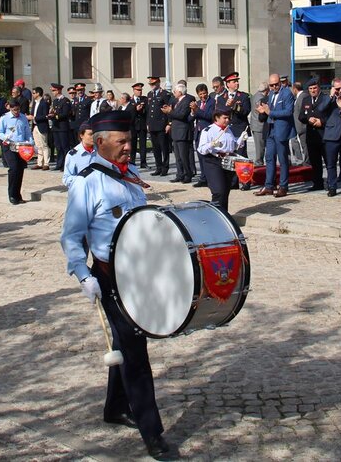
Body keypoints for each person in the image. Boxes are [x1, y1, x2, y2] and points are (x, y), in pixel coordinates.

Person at [59, 110, 176, 460]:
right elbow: (71, 236)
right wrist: (83, 274)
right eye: (122, 142)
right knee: (136, 352)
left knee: (127, 345)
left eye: (130, 140)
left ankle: (114, 407)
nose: (129, 147)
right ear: (100, 142)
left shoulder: (132, 176)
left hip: (138, 272)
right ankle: (152, 432)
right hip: (109, 276)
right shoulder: (87, 182)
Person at [255, 73, 295, 197]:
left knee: (282, 159)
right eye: (271, 85)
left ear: (280, 82)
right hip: (271, 128)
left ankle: (283, 186)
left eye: (276, 84)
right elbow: (269, 109)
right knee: (269, 157)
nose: (274, 87)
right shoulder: (271, 93)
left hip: (281, 129)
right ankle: (269, 186)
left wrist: (270, 112)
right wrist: (264, 111)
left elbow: (288, 112)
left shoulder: (287, 93)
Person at [197, 107, 237, 213]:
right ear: (217, 118)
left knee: (225, 191)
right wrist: (211, 144)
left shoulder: (228, 130)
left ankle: (224, 214)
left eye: (228, 118)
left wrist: (240, 141)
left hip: (227, 160)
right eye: (225, 118)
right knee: (218, 191)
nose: (227, 120)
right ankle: (215, 214)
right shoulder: (208, 130)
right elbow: (201, 149)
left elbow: (231, 146)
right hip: (213, 161)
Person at [0, 98, 34, 205]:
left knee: (20, 169)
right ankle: (12, 195)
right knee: (13, 168)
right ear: (10, 108)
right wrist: (6, 138)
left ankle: (18, 194)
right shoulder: (4, 118)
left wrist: (31, 142)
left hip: (21, 146)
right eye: (14, 110)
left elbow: (27, 132)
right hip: (9, 146)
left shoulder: (23, 118)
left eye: (18, 110)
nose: (16, 112)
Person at [297, 78, 327, 191]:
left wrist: (321, 121)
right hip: (311, 135)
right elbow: (301, 116)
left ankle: (331, 182)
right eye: (310, 89)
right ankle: (317, 183)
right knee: (315, 162)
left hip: (323, 134)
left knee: (328, 160)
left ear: (319, 88)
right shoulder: (306, 100)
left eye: (315, 88)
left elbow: (330, 115)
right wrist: (308, 119)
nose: (313, 90)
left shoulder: (325, 98)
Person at [319, 78, 341, 196]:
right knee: (331, 163)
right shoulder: (327, 99)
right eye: (337, 88)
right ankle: (332, 186)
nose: (340, 91)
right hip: (332, 135)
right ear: (333, 88)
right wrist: (331, 97)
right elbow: (321, 109)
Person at [164, 82, 194, 183]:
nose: (173, 93)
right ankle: (180, 174)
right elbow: (175, 114)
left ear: (180, 92)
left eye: (175, 91)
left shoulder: (187, 100)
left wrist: (170, 112)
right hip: (176, 131)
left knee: (183, 155)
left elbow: (182, 115)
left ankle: (187, 174)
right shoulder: (177, 101)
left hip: (182, 131)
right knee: (177, 157)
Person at [146, 77, 173, 176]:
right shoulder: (150, 94)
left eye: (153, 84)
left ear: (158, 83)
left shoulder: (164, 94)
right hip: (153, 125)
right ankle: (158, 167)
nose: (152, 86)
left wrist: (169, 123)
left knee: (164, 147)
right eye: (150, 84)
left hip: (162, 125)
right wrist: (148, 123)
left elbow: (169, 109)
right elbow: (149, 111)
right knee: (155, 148)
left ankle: (165, 167)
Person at [191, 83, 213, 187]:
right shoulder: (198, 103)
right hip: (198, 132)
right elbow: (190, 118)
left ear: (207, 92)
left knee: (207, 156)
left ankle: (209, 178)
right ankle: (203, 178)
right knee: (200, 156)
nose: (202, 96)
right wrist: (192, 112)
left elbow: (209, 116)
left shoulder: (212, 102)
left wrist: (197, 110)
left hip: (207, 133)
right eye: (200, 94)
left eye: (204, 93)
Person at [63, 123, 96, 189]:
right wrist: (82, 179)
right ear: (81, 135)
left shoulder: (101, 151)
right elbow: (66, 179)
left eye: (95, 134)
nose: (93, 137)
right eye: (90, 134)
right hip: (82, 190)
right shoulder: (73, 155)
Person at [49, 83, 73, 171]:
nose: (53, 92)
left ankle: (65, 165)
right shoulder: (55, 101)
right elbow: (54, 111)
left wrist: (55, 116)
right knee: (58, 147)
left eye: (54, 90)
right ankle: (59, 164)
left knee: (64, 147)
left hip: (62, 127)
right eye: (52, 91)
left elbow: (65, 113)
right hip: (56, 126)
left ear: (59, 90)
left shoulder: (65, 100)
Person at [29, 86, 51, 170]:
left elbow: (45, 116)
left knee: (44, 145)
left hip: (41, 125)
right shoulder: (34, 103)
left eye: (34, 93)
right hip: (35, 126)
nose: (33, 94)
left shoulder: (44, 103)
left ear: (38, 93)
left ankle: (46, 163)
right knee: (38, 145)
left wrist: (34, 118)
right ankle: (39, 162)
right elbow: (32, 113)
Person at [130, 82, 149, 168]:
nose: (140, 92)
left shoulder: (145, 99)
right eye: (138, 90)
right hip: (133, 125)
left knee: (143, 144)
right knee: (132, 144)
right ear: (133, 90)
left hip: (142, 124)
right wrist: (135, 109)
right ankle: (132, 161)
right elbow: (128, 112)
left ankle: (143, 162)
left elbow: (147, 111)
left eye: (141, 90)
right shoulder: (130, 100)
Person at [249, 80, 267, 169]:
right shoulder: (261, 98)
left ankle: (259, 164)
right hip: (259, 125)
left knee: (259, 147)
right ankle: (259, 166)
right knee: (260, 149)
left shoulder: (254, 95)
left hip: (255, 125)